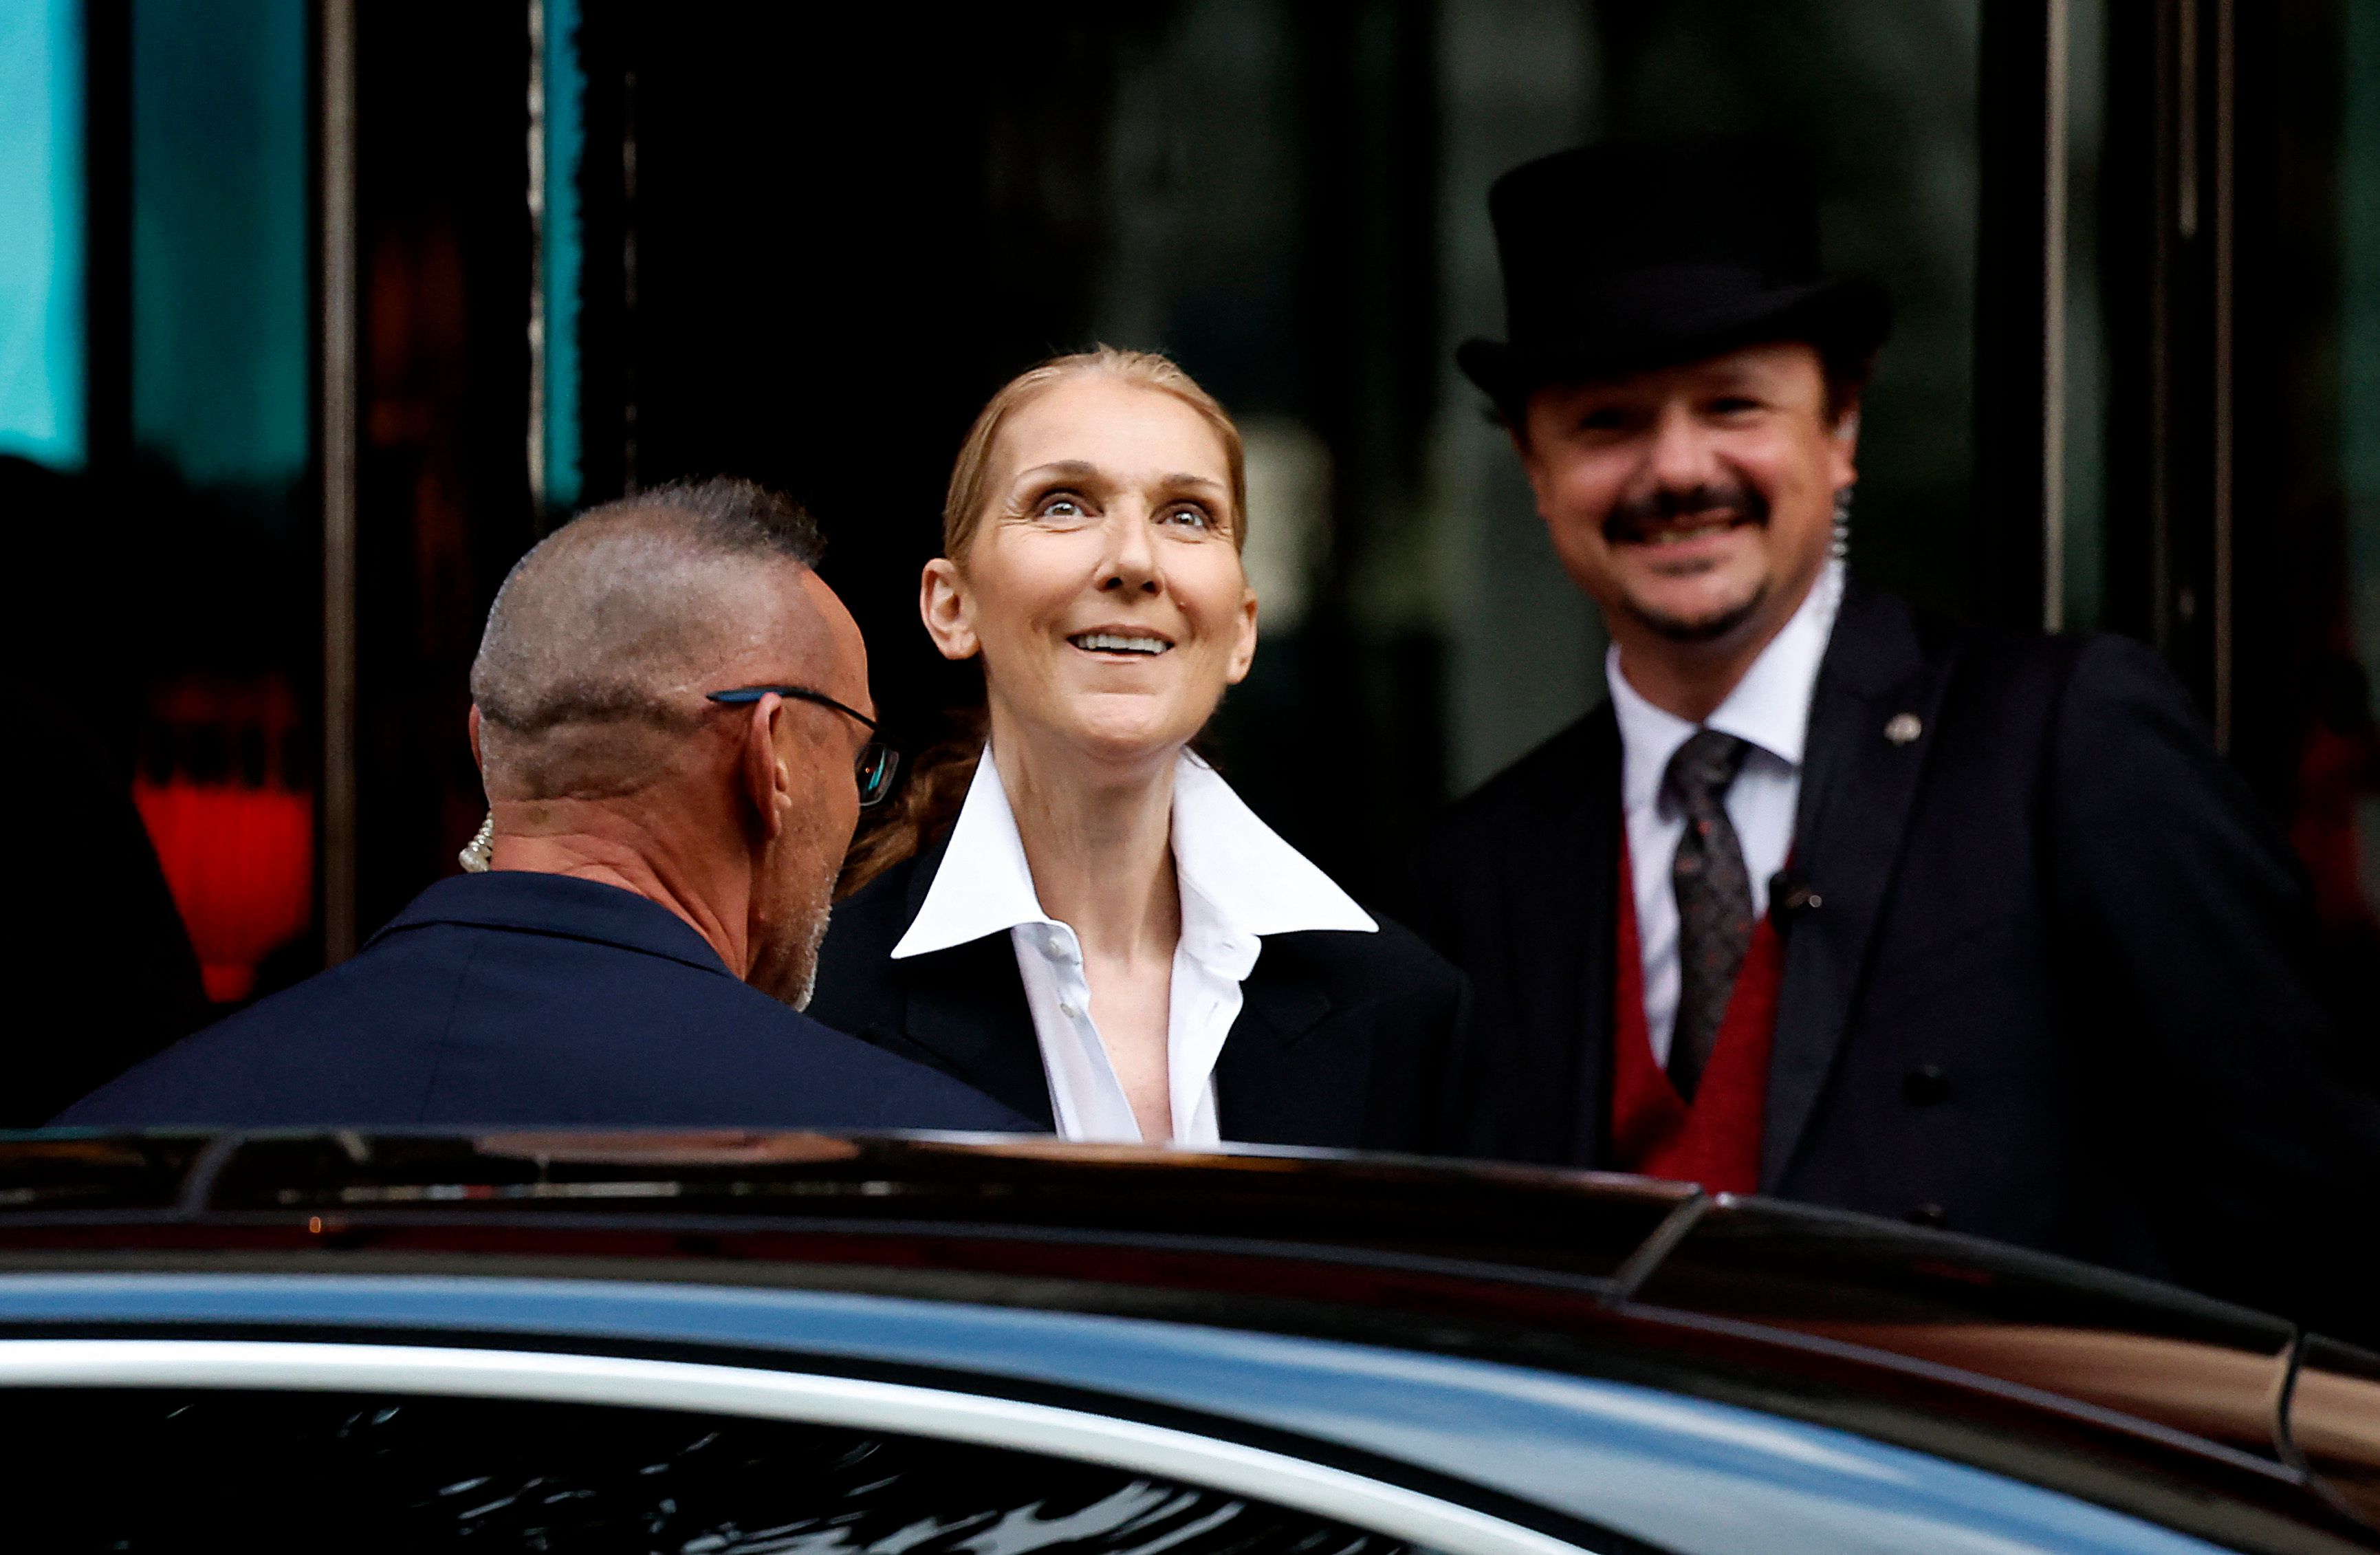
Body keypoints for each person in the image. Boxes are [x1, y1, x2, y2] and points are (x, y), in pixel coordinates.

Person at [1411, 138, 2380, 1332]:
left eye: (1732, 406)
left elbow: (2317, 1221)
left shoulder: (2068, 742)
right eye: (1608, 423)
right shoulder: (1477, 872)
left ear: (1842, 426)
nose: (1677, 470)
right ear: (1533, 466)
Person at [55, 478, 1029, 1133]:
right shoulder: (906, 1171)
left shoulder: (127, 1150)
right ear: (771, 758)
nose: (860, 811)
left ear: (483, 747)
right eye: (860, 764)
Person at [810, 349, 1466, 1149]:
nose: (1132, 561)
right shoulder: (817, 1011)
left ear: (1241, 629)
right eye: (1062, 505)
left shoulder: (1407, 1012)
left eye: (1186, 514)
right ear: (952, 605)